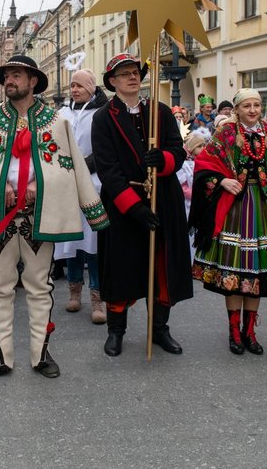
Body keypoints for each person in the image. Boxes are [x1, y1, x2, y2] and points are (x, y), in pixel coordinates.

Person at [0, 55, 108, 380]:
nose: (9, 81)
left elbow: (70, 167)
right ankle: (1, 355)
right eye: (6, 76)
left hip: (39, 217)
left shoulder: (57, 123)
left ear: (33, 82)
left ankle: (41, 354)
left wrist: (39, 185)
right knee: (0, 286)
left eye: (16, 75)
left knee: (40, 286)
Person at [92, 53, 191, 357]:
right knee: (121, 267)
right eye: (124, 74)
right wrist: (133, 207)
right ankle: (116, 330)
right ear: (112, 81)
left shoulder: (160, 111)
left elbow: (179, 151)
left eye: (135, 72)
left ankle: (159, 329)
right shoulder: (103, 117)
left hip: (164, 199)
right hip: (124, 206)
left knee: (162, 265)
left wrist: (164, 160)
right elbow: (108, 169)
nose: (132, 77)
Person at [190, 88, 267, 356]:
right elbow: (204, 166)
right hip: (235, 209)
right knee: (236, 271)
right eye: (247, 105)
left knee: (257, 271)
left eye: (257, 105)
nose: (252, 110)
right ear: (236, 109)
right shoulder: (225, 134)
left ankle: (250, 330)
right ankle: (234, 330)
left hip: (263, 207)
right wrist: (222, 181)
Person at [55, 69, 109, 324]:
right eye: (72, 86)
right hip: (67, 185)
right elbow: (52, 143)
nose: (74, 89)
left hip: (94, 183)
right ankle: (74, 291)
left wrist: (85, 165)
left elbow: (106, 146)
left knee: (94, 243)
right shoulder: (63, 113)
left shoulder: (102, 112)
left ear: (91, 87)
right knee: (72, 241)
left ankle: (98, 298)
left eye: (79, 85)